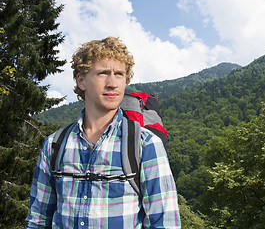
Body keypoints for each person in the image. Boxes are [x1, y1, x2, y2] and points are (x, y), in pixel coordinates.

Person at [25, 37, 181, 228]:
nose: (112, 83)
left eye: (119, 74)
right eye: (103, 73)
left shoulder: (145, 144)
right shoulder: (55, 144)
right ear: (81, 81)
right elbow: (38, 220)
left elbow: (165, 223)